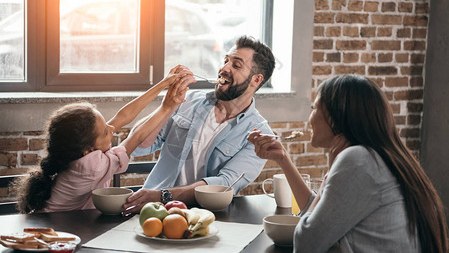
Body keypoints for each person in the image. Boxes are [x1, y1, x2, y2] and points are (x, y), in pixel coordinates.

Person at [248, 74, 448, 253]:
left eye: (314, 108)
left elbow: (306, 243)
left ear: (336, 117)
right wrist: (283, 158)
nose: (309, 119)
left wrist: (328, 175)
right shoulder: (376, 156)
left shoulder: (358, 160)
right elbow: (320, 216)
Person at [12, 65, 196, 213]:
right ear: (88, 150)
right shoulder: (91, 167)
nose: (112, 129)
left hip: (67, 224)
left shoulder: (78, 151)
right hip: (59, 228)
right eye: (106, 132)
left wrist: (163, 84)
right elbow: (137, 137)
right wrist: (166, 107)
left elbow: (122, 116)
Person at [124, 35, 276, 213]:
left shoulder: (260, 135)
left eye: (236, 65)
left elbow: (225, 184)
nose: (224, 68)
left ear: (256, 80)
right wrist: (166, 107)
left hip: (208, 217)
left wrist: (164, 196)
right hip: (154, 209)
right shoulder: (188, 101)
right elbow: (137, 146)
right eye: (225, 60)